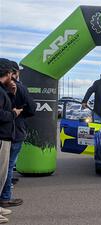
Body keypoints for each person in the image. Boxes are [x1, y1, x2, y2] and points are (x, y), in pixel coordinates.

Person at [0, 61, 36, 208]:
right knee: (7, 167)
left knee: (6, 167)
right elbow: (32, 108)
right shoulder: (18, 87)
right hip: (13, 131)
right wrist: (16, 113)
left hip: (11, 130)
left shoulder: (10, 89)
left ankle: (5, 196)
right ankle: (5, 197)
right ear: (13, 73)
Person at [0, 58, 22, 224]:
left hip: (5, 137)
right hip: (1, 138)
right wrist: (14, 113)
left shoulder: (3, 90)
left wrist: (12, 94)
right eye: (11, 73)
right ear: (7, 73)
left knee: (2, 175)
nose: (12, 76)